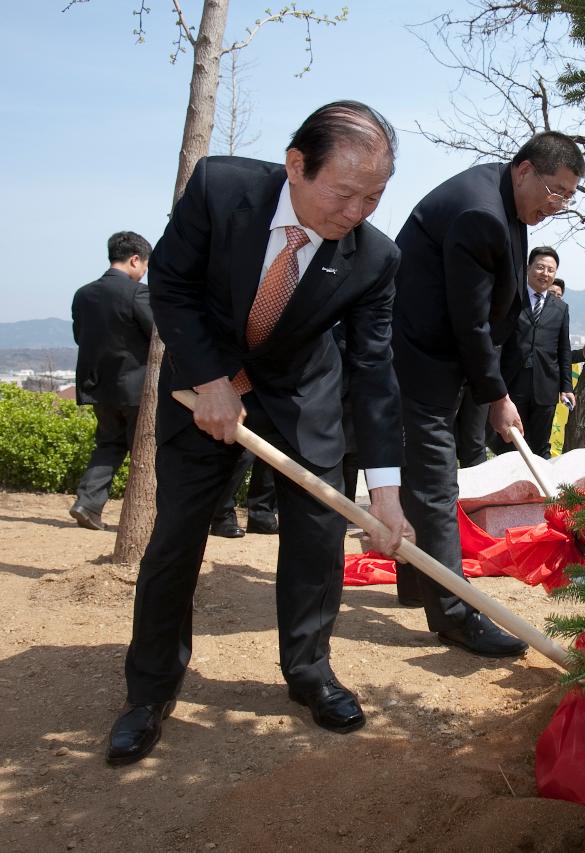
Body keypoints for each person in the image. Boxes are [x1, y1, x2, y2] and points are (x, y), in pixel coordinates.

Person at [105, 101, 414, 767]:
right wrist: (212, 377)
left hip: (302, 391)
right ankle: (150, 688)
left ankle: (310, 671)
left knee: (316, 532)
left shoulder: (375, 258)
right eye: (344, 192)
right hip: (204, 384)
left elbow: (373, 369)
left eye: (375, 196)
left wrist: (386, 489)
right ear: (296, 165)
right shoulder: (220, 190)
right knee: (177, 536)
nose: (357, 211)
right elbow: (174, 287)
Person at [392, 131, 585, 657]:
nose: (557, 203)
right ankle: (455, 613)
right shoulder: (481, 212)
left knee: (426, 477)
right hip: (420, 356)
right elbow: (470, 321)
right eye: (555, 188)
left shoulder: (507, 203)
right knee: (435, 481)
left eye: (568, 196)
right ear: (524, 170)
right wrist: (497, 396)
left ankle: (416, 582)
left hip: (441, 354)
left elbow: (497, 311)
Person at [68, 231, 154, 531]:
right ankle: (149, 516)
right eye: (144, 266)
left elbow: (81, 337)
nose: (143, 273)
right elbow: (158, 338)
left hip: (99, 387)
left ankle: (87, 504)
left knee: (108, 444)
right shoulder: (137, 294)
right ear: (134, 259)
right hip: (136, 388)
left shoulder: (83, 293)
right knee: (145, 452)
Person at [490, 246, 574, 458]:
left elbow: (564, 349)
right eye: (540, 267)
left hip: (545, 386)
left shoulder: (561, 308)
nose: (545, 274)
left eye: (550, 270)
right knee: (510, 446)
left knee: (540, 446)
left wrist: (566, 386)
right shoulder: (512, 300)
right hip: (514, 383)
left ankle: (539, 491)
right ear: (528, 268)